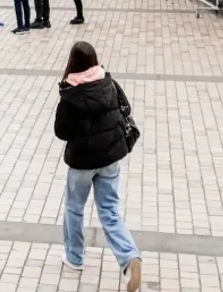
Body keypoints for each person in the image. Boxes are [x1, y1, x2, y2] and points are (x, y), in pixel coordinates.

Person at [54, 41, 142, 289]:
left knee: (74, 207)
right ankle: (129, 257)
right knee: (110, 211)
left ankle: (74, 257)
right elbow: (126, 109)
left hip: (82, 162)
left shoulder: (70, 93)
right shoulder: (108, 82)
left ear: (72, 62)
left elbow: (61, 132)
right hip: (110, 158)